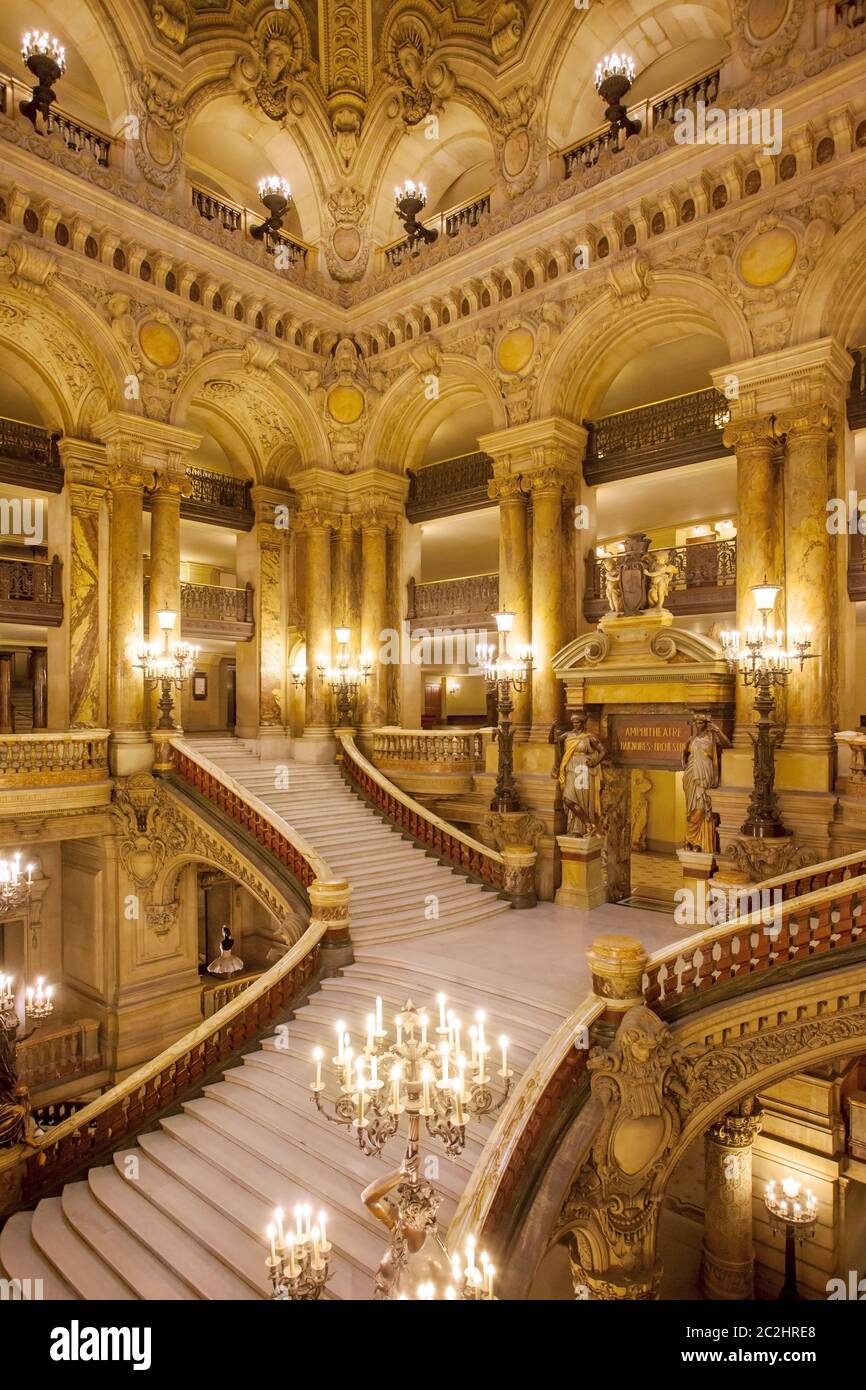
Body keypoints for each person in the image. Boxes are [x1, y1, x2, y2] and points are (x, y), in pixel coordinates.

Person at [550, 713, 607, 836]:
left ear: (582, 723)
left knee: (582, 799)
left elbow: (603, 750)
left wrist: (595, 762)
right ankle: (588, 824)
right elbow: (552, 740)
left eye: (577, 722)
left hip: (583, 769)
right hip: (570, 767)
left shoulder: (589, 737)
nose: (575, 724)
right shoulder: (567, 735)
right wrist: (552, 728)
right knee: (567, 798)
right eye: (573, 722)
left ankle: (580, 829)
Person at [682, 714, 731, 853]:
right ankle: (691, 840)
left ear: (706, 723)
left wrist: (718, 730)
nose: (699, 725)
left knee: (702, 808)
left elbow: (727, 744)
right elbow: (685, 757)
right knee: (691, 810)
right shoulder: (691, 740)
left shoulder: (712, 737)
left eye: (701, 722)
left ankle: (699, 841)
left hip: (705, 778)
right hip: (691, 778)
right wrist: (684, 755)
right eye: (696, 722)